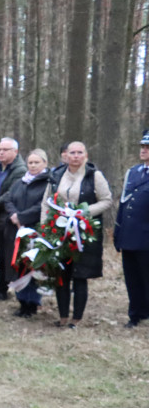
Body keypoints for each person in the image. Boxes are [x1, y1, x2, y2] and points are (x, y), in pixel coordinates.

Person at [45, 141, 111, 328]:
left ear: (86, 156)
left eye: (79, 152)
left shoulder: (94, 176)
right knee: (61, 274)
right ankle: (63, 316)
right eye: (72, 152)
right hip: (59, 231)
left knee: (80, 276)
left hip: (85, 232)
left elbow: (106, 201)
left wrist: (83, 212)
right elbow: (47, 201)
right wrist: (45, 227)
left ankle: (77, 319)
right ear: (66, 155)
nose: (75, 156)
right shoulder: (57, 175)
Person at [4, 149, 53, 317]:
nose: (32, 166)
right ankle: (21, 301)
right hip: (16, 230)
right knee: (18, 266)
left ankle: (32, 303)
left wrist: (22, 217)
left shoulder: (48, 183)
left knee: (33, 267)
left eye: (36, 162)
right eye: (30, 162)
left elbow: (43, 205)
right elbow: (9, 199)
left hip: (35, 231)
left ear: (45, 164)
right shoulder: (20, 182)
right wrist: (14, 215)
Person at [116, 130, 149, 328]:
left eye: (148, 147)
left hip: (146, 239)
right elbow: (123, 203)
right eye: (143, 147)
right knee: (132, 279)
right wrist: (118, 233)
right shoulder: (134, 172)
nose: (144, 150)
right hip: (129, 236)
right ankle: (135, 314)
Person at [0, 137, 26, 301]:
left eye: (5, 150)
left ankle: (1, 290)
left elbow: (9, 195)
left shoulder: (20, 170)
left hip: (6, 218)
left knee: (4, 257)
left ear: (15, 152)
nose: (1, 153)